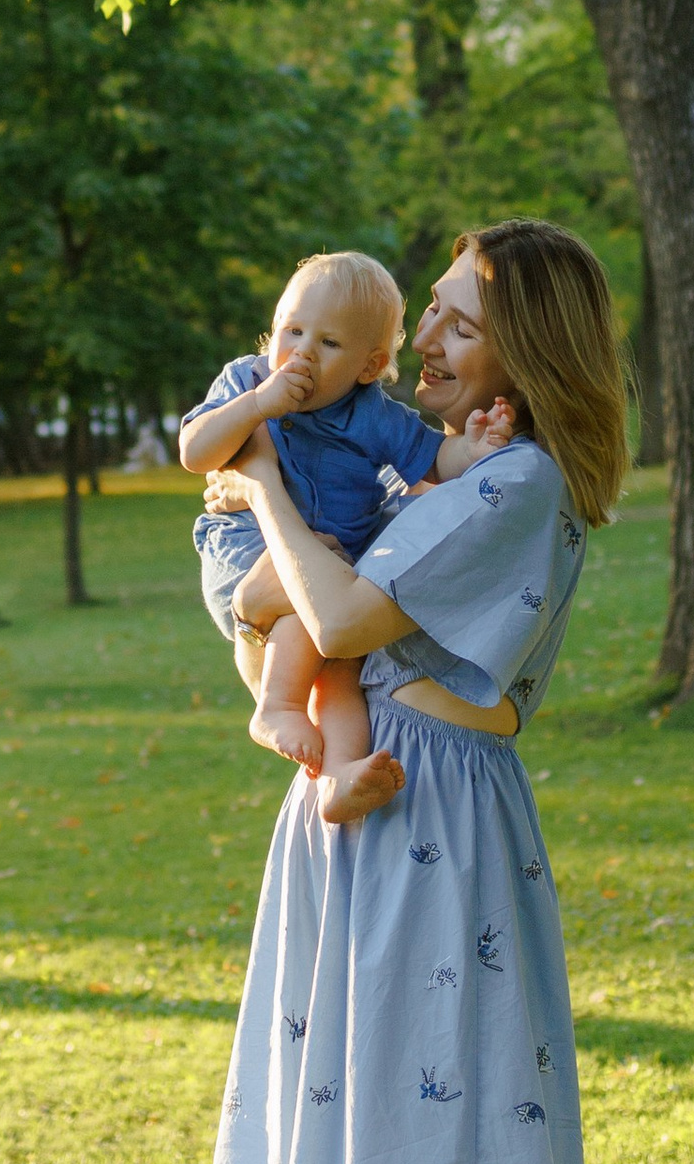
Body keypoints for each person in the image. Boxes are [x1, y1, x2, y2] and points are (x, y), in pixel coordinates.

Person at [187, 217, 630, 1164]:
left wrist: (256, 474)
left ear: (527, 351)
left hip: (442, 838)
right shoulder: (426, 469)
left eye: (457, 322)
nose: (429, 343)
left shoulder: (517, 480)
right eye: (430, 315)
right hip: (368, 830)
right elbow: (261, 612)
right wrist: (266, 527)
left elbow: (335, 612)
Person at [177, 252, 505, 823]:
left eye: (329, 343)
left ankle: (339, 776)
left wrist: (472, 448)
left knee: (341, 674)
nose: (301, 352)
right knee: (303, 617)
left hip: (328, 572)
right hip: (248, 546)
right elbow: (194, 452)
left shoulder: (374, 414)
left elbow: (433, 459)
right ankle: (276, 707)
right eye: (292, 330)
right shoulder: (246, 380)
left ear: (369, 366)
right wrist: (256, 407)